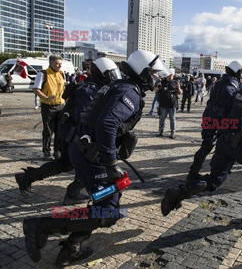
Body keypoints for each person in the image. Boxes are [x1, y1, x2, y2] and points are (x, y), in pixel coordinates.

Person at [22, 50, 168, 266]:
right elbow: (107, 124)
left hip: (85, 151)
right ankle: (41, 226)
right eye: (155, 73)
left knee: (107, 202)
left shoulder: (121, 87)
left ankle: (71, 248)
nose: (158, 77)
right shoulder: (129, 92)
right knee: (108, 211)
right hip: (93, 157)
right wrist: (111, 163)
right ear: (143, 72)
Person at [162, 62, 242, 223]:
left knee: (214, 180)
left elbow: (223, 113)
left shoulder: (241, 91)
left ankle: (179, 193)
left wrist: (221, 132)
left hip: (224, 140)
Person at [15, 58, 122, 205]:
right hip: (71, 131)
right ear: (102, 74)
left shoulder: (95, 86)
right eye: (111, 74)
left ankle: (28, 177)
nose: (113, 78)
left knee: (66, 163)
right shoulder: (90, 89)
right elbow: (84, 116)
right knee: (85, 161)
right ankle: (72, 193)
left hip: (68, 129)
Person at [186, 61, 242, 181]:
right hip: (219, 118)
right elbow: (230, 105)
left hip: (209, 115)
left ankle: (193, 172)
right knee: (225, 144)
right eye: (241, 72)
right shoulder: (231, 84)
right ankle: (218, 171)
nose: (241, 75)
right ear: (237, 72)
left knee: (206, 145)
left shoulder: (222, 81)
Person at [32, 54, 66, 160]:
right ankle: (46, 152)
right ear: (50, 63)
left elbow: (63, 89)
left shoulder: (61, 74)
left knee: (60, 130)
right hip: (48, 106)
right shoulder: (43, 74)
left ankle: (57, 151)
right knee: (48, 130)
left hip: (61, 105)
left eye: (60, 63)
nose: (59, 66)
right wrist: (46, 98)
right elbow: (36, 89)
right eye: (57, 63)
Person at [157, 72, 182, 138]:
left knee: (172, 119)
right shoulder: (162, 82)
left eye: (172, 75)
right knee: (162, 118)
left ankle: (173, 132)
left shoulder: (175, 83)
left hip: (172, 104)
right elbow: (156, 91)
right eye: (169, 75)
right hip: (163, 104)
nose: (170, 76)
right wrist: (158, 86)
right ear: (166, 75)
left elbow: (180, 93)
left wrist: (179, 88)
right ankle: (161, 131)